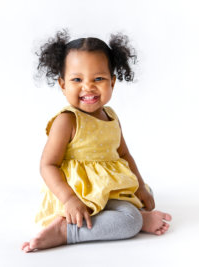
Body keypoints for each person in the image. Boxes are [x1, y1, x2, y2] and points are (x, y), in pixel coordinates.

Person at [21, 29, 172, 253]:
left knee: (149, 191)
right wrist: (69, 199)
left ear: (113, 81)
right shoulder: (67, 120)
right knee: (129, 221)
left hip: (107, 187)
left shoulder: (111, 116)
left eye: (99, 78)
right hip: (79, 192)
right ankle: (67, 231)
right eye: (77, 79)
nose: (88, 86)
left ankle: (132, 214)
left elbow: (124, 155)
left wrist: (140, 186)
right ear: (63, 84)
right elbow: (47, 165)